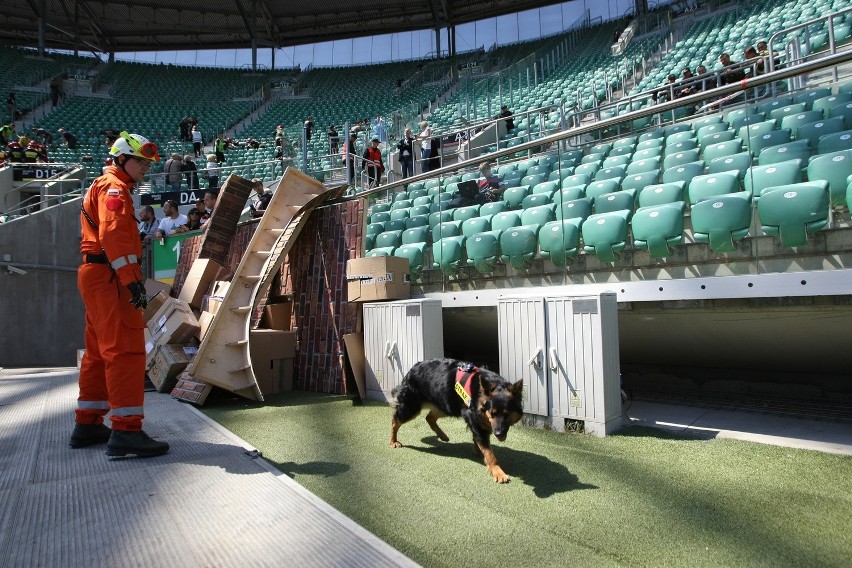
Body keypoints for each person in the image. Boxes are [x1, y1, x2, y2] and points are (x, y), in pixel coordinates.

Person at [73, 131, 169, 457]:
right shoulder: (114, 188)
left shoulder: (109, 186)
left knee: (99, 350)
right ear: (122, 159)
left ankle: (87, 423)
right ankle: (126, 430)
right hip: (111, 277)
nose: (146, 168)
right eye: (141, 161)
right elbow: (112, 234)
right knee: (125, 349)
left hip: (97, 275)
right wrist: (133, 280)